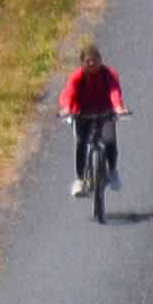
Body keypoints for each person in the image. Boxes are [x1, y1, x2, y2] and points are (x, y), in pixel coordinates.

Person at [56, 43, 125, 196]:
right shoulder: (76, 77)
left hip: (105, 113)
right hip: (82, 114)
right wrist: (67, 109)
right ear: (82, 63)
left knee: (109, 141)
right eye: (88, 61)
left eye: (95, 60)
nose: (92, 64)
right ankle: (80, 180)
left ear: (101, 60)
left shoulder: (109, 74)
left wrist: (118, 107)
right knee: (81, 143)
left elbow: (114, 92)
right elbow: (69, 94)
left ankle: (112, 171)